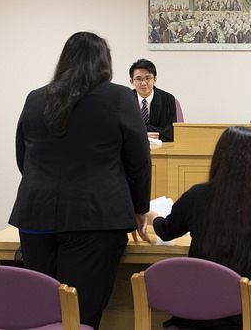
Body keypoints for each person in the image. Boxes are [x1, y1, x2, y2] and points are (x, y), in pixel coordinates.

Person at [9, 32, 152, 329]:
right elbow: (138, 161)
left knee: (43, 309)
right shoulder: (120, 98)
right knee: (81, 313)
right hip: (96, 218)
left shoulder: (36, 98)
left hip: (36, 216)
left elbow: (24, 157)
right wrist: (139, 209)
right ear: (104, 63)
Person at [147, 126, 251, 330]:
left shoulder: (196, 195)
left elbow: (166, 230)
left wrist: (153, 216)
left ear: (219, 158)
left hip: (205, 308)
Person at [129, 58, 177, 142]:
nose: (143, 83)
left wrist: (139, 132)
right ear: (132, 81)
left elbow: (170, 132)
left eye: (147, 78)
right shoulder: (125, 99)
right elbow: (120, 129)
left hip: (161, 147)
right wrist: (146, 133)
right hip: (133, 146)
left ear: (155, 80)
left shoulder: (167, 99)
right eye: (139, 79)